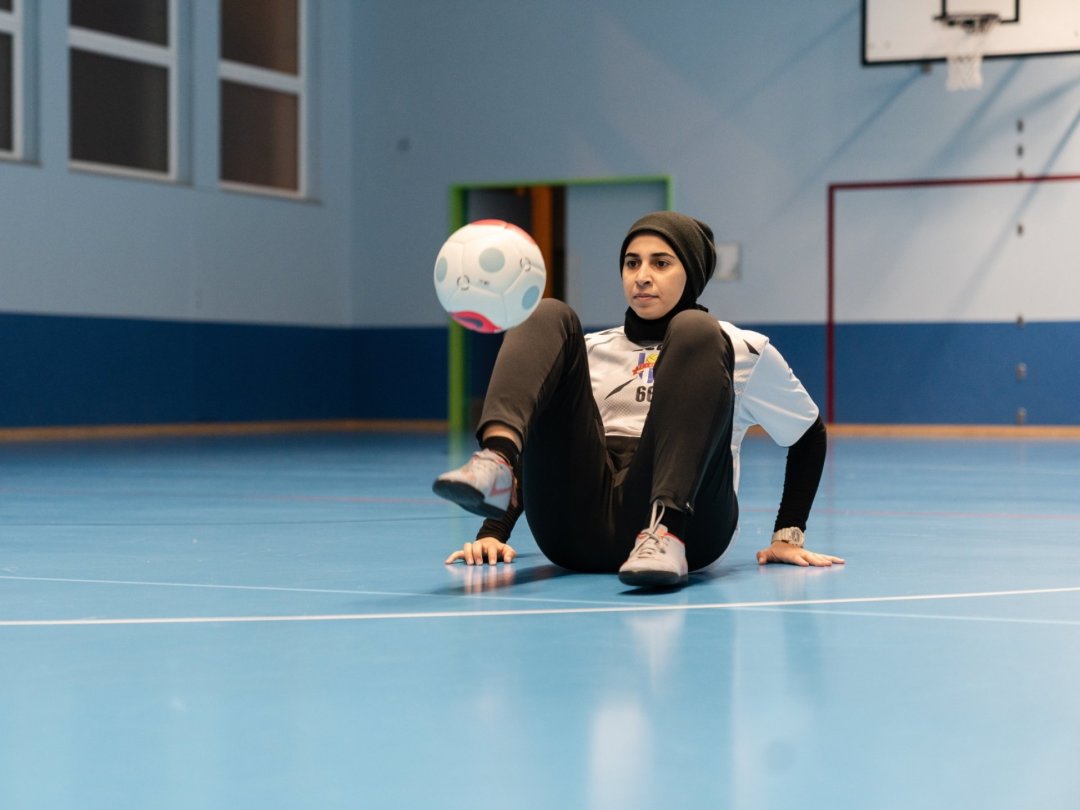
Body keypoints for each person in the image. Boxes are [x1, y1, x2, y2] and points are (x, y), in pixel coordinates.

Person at [433, 211, 843, 587]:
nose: (642, 276)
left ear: (692, 273)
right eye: (632, 263)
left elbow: (807, 434)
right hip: (574, 532)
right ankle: (495, 459)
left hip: (691, 531)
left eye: (660, 263)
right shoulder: (589, 349)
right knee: (546, 313)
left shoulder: (740, 348)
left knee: (696, 329)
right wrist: (494, 531)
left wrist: (788, 534)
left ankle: (666, 531)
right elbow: (552, 442)